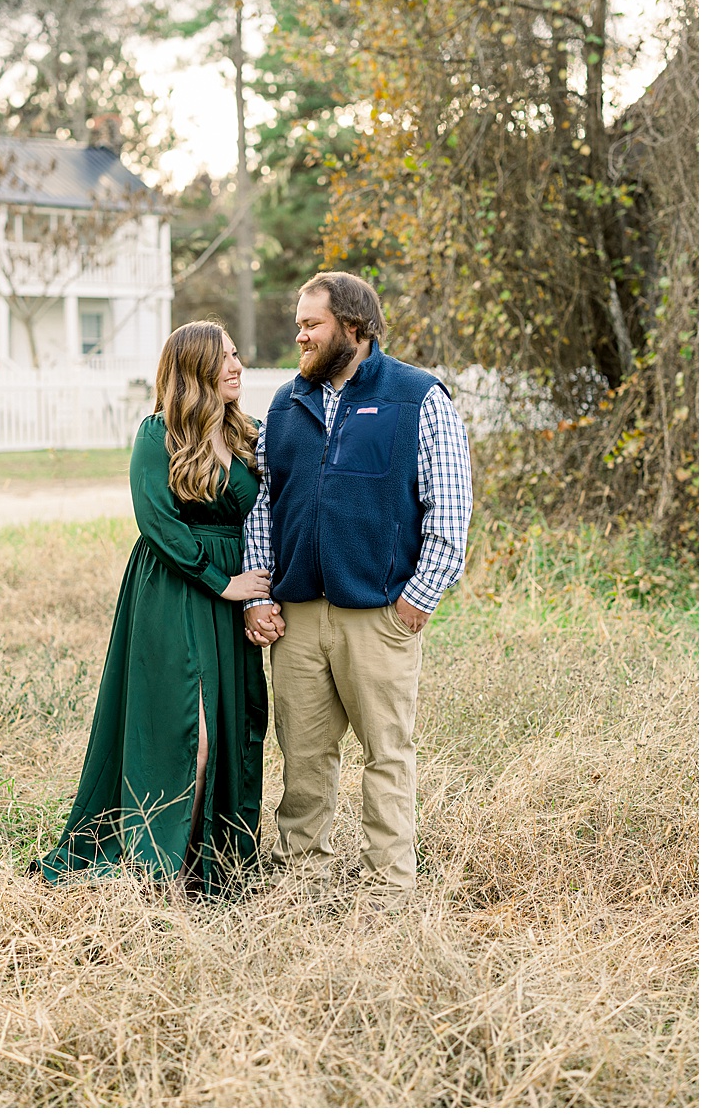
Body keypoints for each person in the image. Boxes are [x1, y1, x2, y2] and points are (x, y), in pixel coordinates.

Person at [240, 271, 472, 900]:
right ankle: (298, 879)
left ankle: (388, 890)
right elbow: (265, 506)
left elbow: (448, 508)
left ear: (355, 328)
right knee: (304, 759)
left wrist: (416, 600)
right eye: (299, 324)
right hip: (297, 616)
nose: (300, 336)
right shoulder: (287, 406)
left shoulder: (418, 396)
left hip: (379, 614)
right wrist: (261, 595)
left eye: (311, 325)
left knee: (388, 757)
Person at [35, 321, 272, 896]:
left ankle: (209, 865)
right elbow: (157, 524)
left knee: (230, 720)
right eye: (225, 359)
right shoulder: (157, 434)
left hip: (235, 595)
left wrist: (259, 592)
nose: (238, 366)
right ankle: (156, 869)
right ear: (194, 371)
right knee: (186, 729)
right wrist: (223, 582)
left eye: (238, 354)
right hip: (176, 588)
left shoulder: (248, 433)